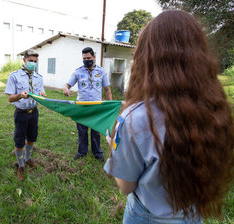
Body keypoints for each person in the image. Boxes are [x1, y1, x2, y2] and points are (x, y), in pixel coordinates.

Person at [104, 10, 234, 223]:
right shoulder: (216, 110)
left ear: (146, 57)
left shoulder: (132, 120)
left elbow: (126, 186)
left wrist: (116, 146)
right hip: (192, 215)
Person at [63, 47, 112, 162]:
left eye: (88, 58)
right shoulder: (78, 72)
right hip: (82, 107)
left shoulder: (101, 72)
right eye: (84, 58)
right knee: (82, 131)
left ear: (94, 57)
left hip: (96, 107)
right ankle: (82, 152)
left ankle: (97, 153)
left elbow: (107, 90)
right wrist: (65, 89)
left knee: (96, 131)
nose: (86, 60)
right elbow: (67, 85)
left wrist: (109, 104)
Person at [5, 49, 46, 181]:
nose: (33, 64)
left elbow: (41, 92)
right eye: (30, 61)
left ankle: (28, 159)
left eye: (35, 61)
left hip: (34, 113)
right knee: (19, 140)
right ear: (24, 60)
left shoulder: (39, 77)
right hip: (21, 114)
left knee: (32, 138)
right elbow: (10, 98)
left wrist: (42, 95)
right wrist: (19, 96)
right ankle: (21, 165)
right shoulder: (14, 76)